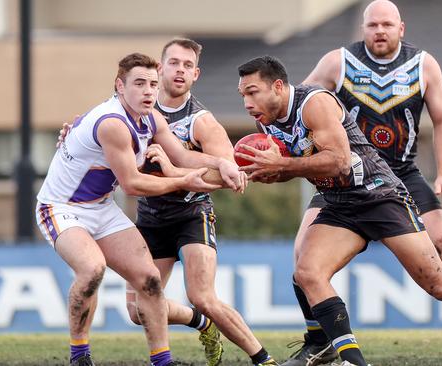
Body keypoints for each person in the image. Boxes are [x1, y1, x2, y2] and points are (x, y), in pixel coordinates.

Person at [235, 55, 442, 366]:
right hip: (339, 203)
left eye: (252, 92)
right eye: (243, 95)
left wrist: (283, 165)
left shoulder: (314, 103)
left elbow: (340, 161)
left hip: (379, 195)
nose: (247, 102)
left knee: (441, 284)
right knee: (306, 272)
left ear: (277, 86)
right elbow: (300, 165)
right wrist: (270, 172)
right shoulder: (265, 118)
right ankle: (352, 360)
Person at [280, 1, 442, 365]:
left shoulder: (423, 64)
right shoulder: (337, 62)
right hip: (344, 177)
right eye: (372, 25)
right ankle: (318, 340)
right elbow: (298, 106)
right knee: (301, 251)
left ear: (401, 28)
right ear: (362, 29)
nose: (379, 31)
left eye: (386, 24)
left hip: (402, 173)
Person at [59, 39, 278, 366]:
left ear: (196, 74)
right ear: (160, 69)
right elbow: (94, 135)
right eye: (174, 63)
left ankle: (264, 359)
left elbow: (229, 176)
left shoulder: (201, 121)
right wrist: (72, 133)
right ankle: (200, 324)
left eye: (188, 66)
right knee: (136, 311)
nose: (180, 71)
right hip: (150, 217)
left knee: (202, 296)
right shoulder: (130, 109)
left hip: (192, 214)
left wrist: (174, 171)